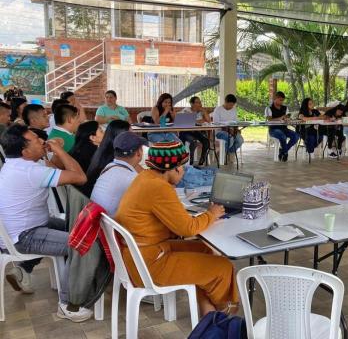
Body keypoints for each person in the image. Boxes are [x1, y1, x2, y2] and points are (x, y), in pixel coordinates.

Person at [115, 141, 238, 315]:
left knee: (204, 249)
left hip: (142, 253)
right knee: (223, 267)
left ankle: (208, 314)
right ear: (174, 168)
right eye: (182, 166)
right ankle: (225, 315)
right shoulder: (159, 187)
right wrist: (212, 213)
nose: (183, 171)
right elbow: (187, 229)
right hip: (149, 263)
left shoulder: (145, 177)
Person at [0, 124, 92, 321]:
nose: (43, 140)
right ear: (24, 151)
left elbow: (55, 169)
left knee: (75, 228)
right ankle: (68, 304)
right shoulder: (31, 171)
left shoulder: (16, 164)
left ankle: (23, 269)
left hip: (19, 230)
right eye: (36, 140)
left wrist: (54, 153)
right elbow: (80, 177)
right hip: (24, 236)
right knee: (80, 242)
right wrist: (59, 149)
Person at [90, 131, 145, 216]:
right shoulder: (131, 178)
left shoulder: (109, 166)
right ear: (138, 153)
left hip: (98, 222)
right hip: (111, 227)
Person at [82, 120, 131, 197]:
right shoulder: (115, 158)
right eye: (131, 135)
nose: (135, 138)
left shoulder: (103, 150)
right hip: (98, 205)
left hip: (91, 199)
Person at [265, 91, 299, 162]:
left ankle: (282, 151)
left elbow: (287, 117)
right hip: (273, 129)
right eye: (280, 100)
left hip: (284, 128)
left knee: (296, 136)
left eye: (283, 100)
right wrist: (280, 118)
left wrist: (288, 119)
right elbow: (269, 120)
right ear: (275, 98)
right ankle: (285, 153)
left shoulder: (285, 108)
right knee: (282, 136)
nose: (282, 102)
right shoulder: (268, 108)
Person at [179, 96, 210, 166]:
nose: (199, 104)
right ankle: (191, 160)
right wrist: (198, 121)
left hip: (196, 131)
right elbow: (186, 121)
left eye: (200, 102)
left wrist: (204, 111)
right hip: (186, 132)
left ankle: (202, 159)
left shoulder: (200, 112)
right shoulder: (186, 110)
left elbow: (208, 120)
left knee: (206, 141)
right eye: (197, 102)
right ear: (192, 104)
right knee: (193, 141)